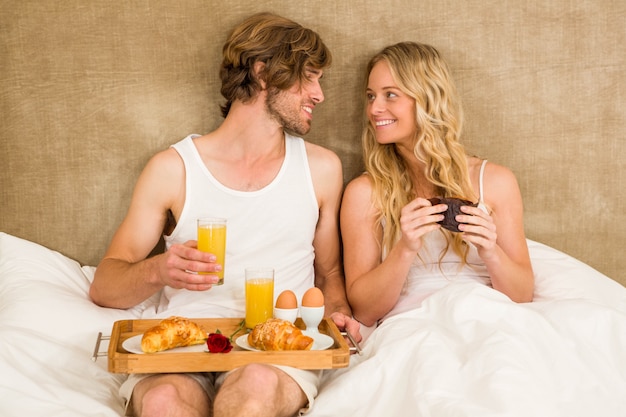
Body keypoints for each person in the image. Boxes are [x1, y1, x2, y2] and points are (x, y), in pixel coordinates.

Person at [90, 12, 360, 417]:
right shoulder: (173, 169)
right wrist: (158, 271)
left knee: (255, 387)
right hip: (186, 344)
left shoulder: (321, 169)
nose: (319, 94)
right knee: (163, 402)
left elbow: (331, 274)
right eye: (309, 77)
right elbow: (105, 285)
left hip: (274, 348)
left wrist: (337, 312)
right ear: (263, 71)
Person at [339, 41, 534, 328]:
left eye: (390, 95)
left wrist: (491, 251)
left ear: (428, 99)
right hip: (414, 327)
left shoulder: (495, 182)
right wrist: (404, 248)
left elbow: (522, 295)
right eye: (371, 96)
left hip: (487, 320)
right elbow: (365, 312)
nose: (374, 108)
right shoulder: (364, 193)